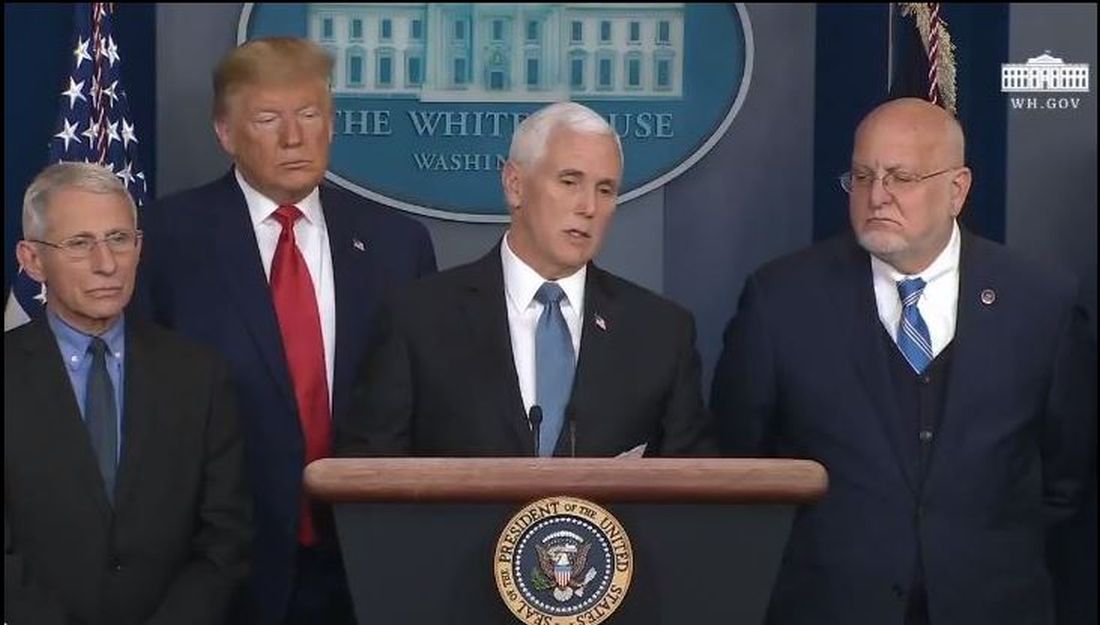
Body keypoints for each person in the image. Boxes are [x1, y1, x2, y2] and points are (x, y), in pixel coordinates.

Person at [711, 98, 1096, 624]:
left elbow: (1066, 478)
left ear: (956, 189)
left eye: (901, 177)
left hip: (993, 605)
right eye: (863, 176)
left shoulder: (1040, 302)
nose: (877, 196)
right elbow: (738, 464)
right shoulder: (780, 300)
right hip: (828, 605)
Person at [134, 37, 436, 624]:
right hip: (223, 564)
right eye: (269, 119)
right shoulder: (165, 241)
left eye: (310, 115)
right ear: (225, 132)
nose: (294, 138)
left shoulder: (398, 243)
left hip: (365, 559)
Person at [337, 101, 714, 458]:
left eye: (605, 190)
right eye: (569, 182)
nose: (589, 207)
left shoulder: (661, 333)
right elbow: (369, 473)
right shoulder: (418, 318)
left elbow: (692, 496)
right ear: (515, 185)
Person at [5, 162, 250, 625]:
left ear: (139, 247)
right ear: (32, 260)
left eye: (119, 239)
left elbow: (225, 539)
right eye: (80, 243)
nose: (106, 264)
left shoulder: (199, 375)